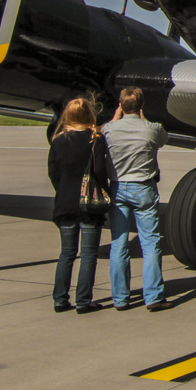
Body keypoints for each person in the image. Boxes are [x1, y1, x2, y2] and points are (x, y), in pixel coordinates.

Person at [102, 86, 172, 311]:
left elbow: (101, 133)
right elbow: (163, 139)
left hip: (118, 187)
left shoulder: (110, 129)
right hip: (144, 187)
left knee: (119, 243)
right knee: (150, 242)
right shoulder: (153, 128)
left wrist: (115, 118)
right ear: (141, 106)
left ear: (121, 106)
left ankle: (120, 297)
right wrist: (144, 117)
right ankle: (153, 296)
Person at [47, 97, 115, 314]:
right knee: (88, 255)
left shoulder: (58, 141)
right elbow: (101, 170)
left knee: (66, 253)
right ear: (89, 115)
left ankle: (60, 299)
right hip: (89, 204)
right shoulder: (95, 139)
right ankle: (84, 300)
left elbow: (53, 173)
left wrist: (64, 189)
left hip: (65, 202)